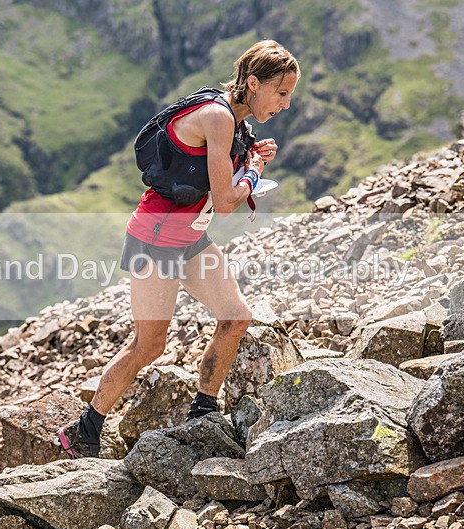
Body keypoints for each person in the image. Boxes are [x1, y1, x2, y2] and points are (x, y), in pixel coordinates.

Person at [58, 40, 300, 458]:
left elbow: (217, 177)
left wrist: (250, 159)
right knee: (149, 345)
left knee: (235, 316)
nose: (287, 104)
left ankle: (201, 413)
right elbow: (225, 202)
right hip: (154, 240)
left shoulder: (234, 118)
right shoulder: (219, 118)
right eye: (281, 93)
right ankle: (84, 429)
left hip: (188, 237)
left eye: (290, 95)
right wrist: (257, 170)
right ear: (254, 83)